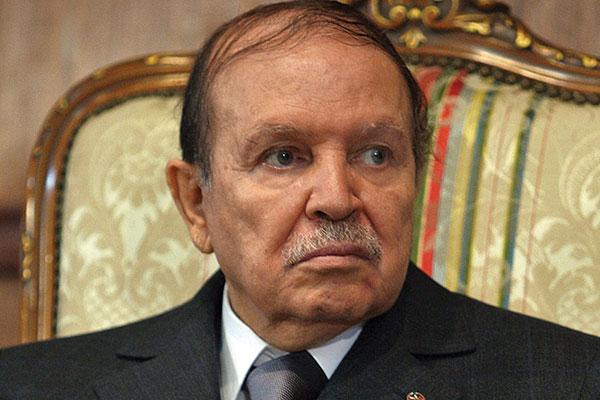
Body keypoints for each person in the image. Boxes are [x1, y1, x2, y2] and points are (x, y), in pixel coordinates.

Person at [1, 1, 599, 399]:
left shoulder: (569, 383)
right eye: (283, 157)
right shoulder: (28, 386)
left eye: (376, 155)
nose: (337, 199)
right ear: (196, 203)